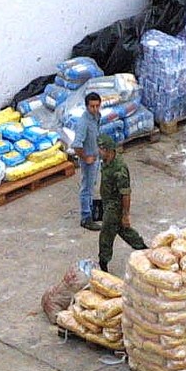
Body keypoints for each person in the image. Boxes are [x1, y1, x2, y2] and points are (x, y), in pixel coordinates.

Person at [96, 135, 148, 274]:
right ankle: (145, 250)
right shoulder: (106, 161)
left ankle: (103, 264)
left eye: (101, 149)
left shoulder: (119, 169)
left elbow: (126, 194)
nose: (98, 151)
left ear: (108, 150)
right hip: (107, 203)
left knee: (106, 235)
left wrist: (125, 215)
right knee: (123, 231)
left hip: (115, 207)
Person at [74, 91, 103, 231]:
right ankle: (86, 218)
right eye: (92, 106)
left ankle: (91, 209)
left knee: (92, 185)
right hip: (88, 160)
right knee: (87, 188)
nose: (95, 109)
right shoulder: (83, 122)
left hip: (96, 157)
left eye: (97, 106)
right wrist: (86, 157)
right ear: (87, 106)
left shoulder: (97, 117)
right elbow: (76, 145)